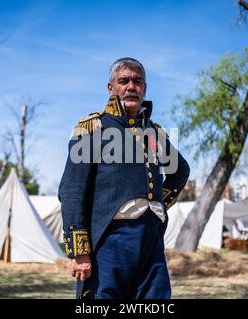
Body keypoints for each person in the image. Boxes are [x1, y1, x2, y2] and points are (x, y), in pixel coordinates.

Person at [58, 57, 190, 299]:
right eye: (124, 81)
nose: (131, 86)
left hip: (151, 238)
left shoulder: (153, 133)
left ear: (145, 88)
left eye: (137, 81)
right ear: (111, 88)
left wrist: (159, 202)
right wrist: (80, 251)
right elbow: (72, 191)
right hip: (111, 238)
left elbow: (181, 171)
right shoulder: (93, 128)